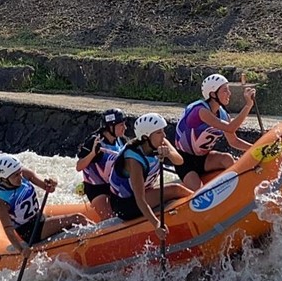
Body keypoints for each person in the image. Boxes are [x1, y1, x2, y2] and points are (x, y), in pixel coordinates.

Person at [107, 113, 192, 241]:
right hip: (126, 204)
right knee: (176, 189)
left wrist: (168, 153)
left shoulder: (160, 142)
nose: (163, 135)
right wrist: (156, 224)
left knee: (175, 189)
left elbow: (179, 161)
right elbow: (140, 199)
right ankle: (206, 205)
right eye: (159, 132)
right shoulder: (133, 160)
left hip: (143, 193)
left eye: (162, 131)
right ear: (146, 136)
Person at [0, 153, 88, 262]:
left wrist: (52, 183)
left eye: (20, 172)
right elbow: (8, 229)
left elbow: (49, 188)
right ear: (4, 179)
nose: (20, 177)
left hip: (40, 218)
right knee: (78, 218)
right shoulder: (0, 201)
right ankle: (100, 236)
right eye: (15, 176)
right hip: (30, 231)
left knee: (73, 226)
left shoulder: (24, 174)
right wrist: (21, 249)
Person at [173, 73, 257, 190]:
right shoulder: (200, 111)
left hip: (204, 158)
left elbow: (233, 141)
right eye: (225, 90)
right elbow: (230, 128)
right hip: (185, 161)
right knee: (199, 191)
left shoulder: (224, 115)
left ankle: (240, 189)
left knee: (227, 158)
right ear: (213, 94)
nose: (229, 93)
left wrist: (255, 148)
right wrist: (248, 105)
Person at [75, 108, 127, 218]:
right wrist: (93, 153)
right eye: (121, 125)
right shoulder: (95, 141)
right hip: (96, 189)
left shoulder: (121, 140)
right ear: (110, 127)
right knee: (111, 219)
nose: (125, 128)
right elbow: (79, 167)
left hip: (115, 186)